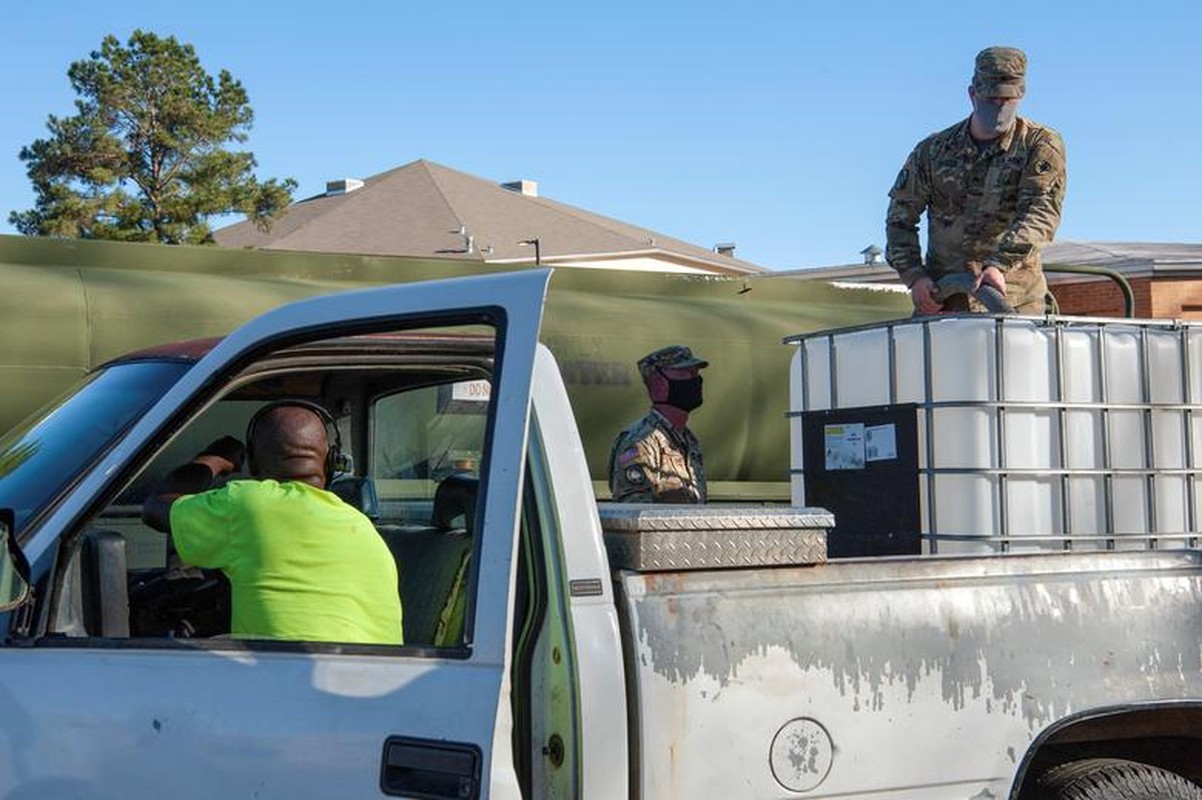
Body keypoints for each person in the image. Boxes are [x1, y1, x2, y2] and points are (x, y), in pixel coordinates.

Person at [142, 400, 403, 644]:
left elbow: (156, 508)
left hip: (285, 685)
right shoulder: (362, 526)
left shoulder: (250, 504)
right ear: (332, 461)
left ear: (253, 464)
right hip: (379, 685)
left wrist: (214, 460)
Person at [886, 46, 1067, 315]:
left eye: (1008, 100)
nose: (999, 108)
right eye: (991, 99)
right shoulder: (933, 151)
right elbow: (900, 217)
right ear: (972, 94)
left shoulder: (1038, 145)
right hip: (945, 302)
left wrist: (999, 265)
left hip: (1013, 301)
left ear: (1021, 95)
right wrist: (915, 277)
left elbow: (1040, 214)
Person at [608, 345, 708, 503]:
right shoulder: (641, 443)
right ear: (659, 384)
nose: (696, 380)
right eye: (686, 373)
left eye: (695, 373)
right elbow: (635, 514)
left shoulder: (689, 441)